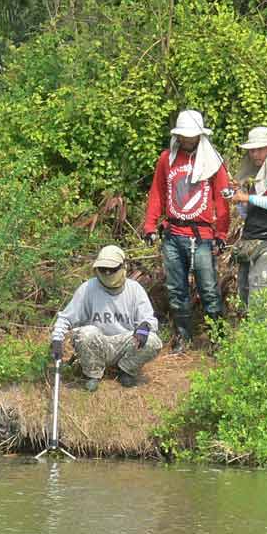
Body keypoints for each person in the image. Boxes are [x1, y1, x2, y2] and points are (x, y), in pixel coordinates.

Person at [141, 109, 230, 353]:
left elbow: (222, 200)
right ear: (177, 136)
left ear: (200, 136)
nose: (188, 140)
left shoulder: (213, 162)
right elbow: (157, 194)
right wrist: (150, 225)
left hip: (202, 236)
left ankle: (217, 338)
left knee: (209, 288)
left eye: (192, 136)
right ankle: (183, 336)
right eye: (184, 136)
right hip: (173, 233)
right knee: (176, 288)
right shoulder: (166, 159)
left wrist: (221, 234)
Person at [50, 245, 162, 392]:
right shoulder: (88, 288)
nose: (108, 272)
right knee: (86, 333)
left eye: (112, 269)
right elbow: (66, 318)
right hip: (97, 343)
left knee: (153, 341)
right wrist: (57, 339)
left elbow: (149, 319)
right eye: (103, 269)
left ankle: (126, 369)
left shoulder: (134, 289)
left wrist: (145, 326)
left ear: (123, 267)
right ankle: (93, 373)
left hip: (124, 344)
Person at [229, 126, 267, 315]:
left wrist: (247, 198)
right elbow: (250, 214)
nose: (255, 154)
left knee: (261, 306)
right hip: (249, 243)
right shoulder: (258, 177)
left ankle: (263, 344)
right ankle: (249, 344)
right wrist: (238, 197)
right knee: (245, 302)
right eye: (252, 150)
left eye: (259, 149)